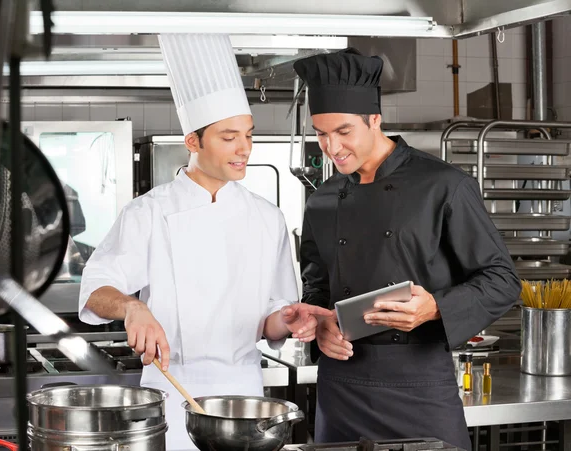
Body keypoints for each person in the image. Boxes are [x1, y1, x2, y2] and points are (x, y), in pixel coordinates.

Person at [78, 34, 331, 451]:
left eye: (247, 135)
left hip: (244, 398)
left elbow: (272, 317)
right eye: (229, 137)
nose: (244, 149)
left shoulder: (268, 218)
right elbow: (96, 289)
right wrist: (131, 306)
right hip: (169, 392)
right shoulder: (149, 213)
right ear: (193, 142)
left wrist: (289, 320)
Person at [293, 48, 521, 450]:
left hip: (418, 386)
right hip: (340, 388)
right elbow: (317, 287)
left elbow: (502, 281)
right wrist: (321, 328)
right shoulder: (322, 199)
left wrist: (435, 307)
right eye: (321, 133)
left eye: (344, 132)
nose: (332, 147)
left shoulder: (444, 186)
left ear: (375, 120)